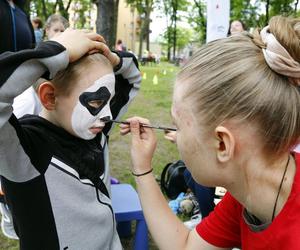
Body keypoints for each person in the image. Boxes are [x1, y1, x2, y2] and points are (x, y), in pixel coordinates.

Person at [122, 15, 300, 249]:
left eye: (178, 125)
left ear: (223, 144)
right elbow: (185, 245)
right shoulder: (248, 193)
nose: (175, 137)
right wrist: (143, 168)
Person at [0, 28, 141, 249]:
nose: (109, 115)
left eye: (110, 101)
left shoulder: (95, 127)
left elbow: (132, 78)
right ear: (49, 97)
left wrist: (111, 58)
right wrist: (53, 53)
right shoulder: (23, 154)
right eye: (96, 103)